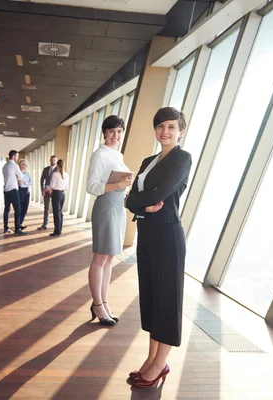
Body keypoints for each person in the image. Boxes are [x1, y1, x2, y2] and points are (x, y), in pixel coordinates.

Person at [124, 107, 192, 388]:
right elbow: (131, 199)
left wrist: (141, 200)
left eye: (172, 127)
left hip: (167, 236)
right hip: (147, 234)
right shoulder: (149, 160)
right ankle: (151, 358)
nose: (165, 131)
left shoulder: (182, 159)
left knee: (166, 300)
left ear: (181, 131)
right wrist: (141, 203)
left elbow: (159, 195)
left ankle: (161, 363)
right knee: (151, 298)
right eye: (161, 126)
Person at [86, 115, 133, 326]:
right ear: (104, 132)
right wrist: (117, 185)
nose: (116, 135)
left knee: (109, 259)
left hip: (117, 206)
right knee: (100, 258)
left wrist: (125, 187)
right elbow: (92, 186)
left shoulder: (117, 154)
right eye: (112, 131)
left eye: (120, 131)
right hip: (105, 206)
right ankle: (97, 304)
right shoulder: (100, 155)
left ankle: (103, 302)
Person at [2, 150, 27, 236]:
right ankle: (17, 229)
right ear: (13, 156)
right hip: (13, 190)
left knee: (7, 210)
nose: (18, 157)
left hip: (6, 190)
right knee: (18, 209)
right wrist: (16, 176)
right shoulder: (14, 166)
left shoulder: (4, 166)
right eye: (17, 156)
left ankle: (6, 228)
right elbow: (21, 176)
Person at [48, 159, 69, 237]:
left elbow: (52, 186)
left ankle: (56, 231)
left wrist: (47, 188)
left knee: (56, 213)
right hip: (63, 194)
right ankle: (59, 230)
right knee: (60, 212)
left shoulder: (55, 174)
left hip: (56, 194)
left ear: (57, 165)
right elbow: (67, 186)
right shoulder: (66, 175)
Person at [38, 155, 58, 230]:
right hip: (46, 191)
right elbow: (42, 180)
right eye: (52, 160)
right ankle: (45, 224)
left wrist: (52, 189)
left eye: (54, 160)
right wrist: (42, 189)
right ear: (50, 160)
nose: (53, 161)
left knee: (55, 208)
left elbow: (58, 181)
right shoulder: (46, 169)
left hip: (54, 192)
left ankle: (56, 227)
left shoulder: (58, 169)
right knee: (46, 208)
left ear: (56, 161)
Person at [18, 159, 32, 230]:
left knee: (25, 208)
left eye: (26, 164)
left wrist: (25, 183)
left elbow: (31, 182)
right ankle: (18, 224)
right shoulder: (18, 173)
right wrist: (25, 183)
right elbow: (20, 184)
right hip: (20, 191)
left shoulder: (27, 173)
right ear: (20, 165)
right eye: (24, 164)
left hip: (27, 191)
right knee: (20, 208)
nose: (25, 166)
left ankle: (20, 223)